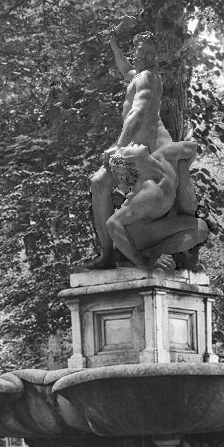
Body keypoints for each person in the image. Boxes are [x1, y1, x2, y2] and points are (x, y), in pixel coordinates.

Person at [86, 21, 173, 269]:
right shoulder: (136, 76)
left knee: (105, 183)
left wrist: (118, 147)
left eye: (145, 52)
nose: (140, 55)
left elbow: (137, 112)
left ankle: (131, 252)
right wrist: (114, 44)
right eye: (138, 50)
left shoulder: (148, 77)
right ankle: (107, 254)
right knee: (98, 182)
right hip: (133, 146)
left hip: (145, 148)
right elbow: (125, 69)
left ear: (152, 56)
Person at [105, 141, 209, 270]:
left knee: (201, 228)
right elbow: (113, 223)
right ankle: (150, 258)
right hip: (136, 236)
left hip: (156, 224)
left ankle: (153, 254)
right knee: (198, 229)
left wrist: (183, 183)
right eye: (126, 150)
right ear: (133, 165)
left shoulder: (167, 155)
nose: (131, 144)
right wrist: (141, 262)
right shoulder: (150, 193)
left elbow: (193, 148)